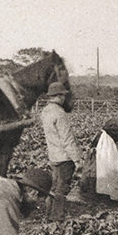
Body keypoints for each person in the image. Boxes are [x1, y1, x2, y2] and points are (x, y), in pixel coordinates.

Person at [40, 82, 83, 219]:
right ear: (57, 96)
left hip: (53, 155)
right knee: (62, 188)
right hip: (65, 157)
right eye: (63, 95)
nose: (64, 98)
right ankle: (57, 216)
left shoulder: (45, 111)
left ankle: (48, 213)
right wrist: (77, 160)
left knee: (54, 187)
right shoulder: (60, 113)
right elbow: (67, 139)